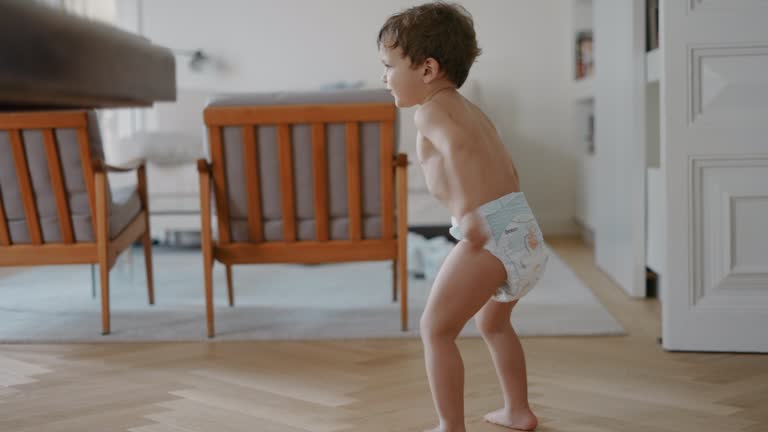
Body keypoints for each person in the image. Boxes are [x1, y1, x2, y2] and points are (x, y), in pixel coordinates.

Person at [377, 3, 549, 431]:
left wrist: (471, 211)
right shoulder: (472, 110)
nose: (384, 77)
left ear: (428, 69)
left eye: (389, 66)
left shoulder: (431, 112)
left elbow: (456, 149)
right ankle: (518, 410)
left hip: (486, 232)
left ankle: (449, 426)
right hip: (521, 227)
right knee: (493, 323)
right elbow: (505, 162)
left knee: (435, 329)